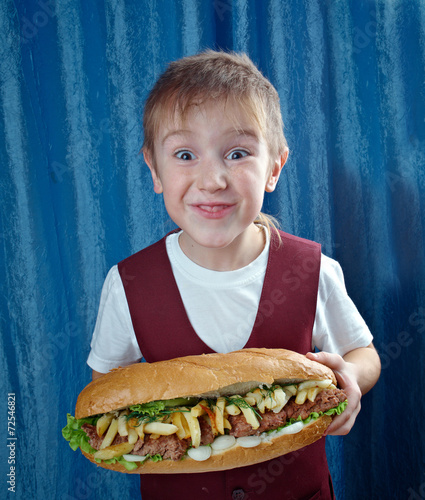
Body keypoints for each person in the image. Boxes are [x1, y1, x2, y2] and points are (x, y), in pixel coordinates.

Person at [87, 50, 381, 499]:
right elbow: (105, 391)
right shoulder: (127, 285)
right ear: (154, 170)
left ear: (274, 167)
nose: (212, 179)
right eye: (185, 154)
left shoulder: (313, 269)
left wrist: (351, 380)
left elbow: (364, 354)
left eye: (237, 153)